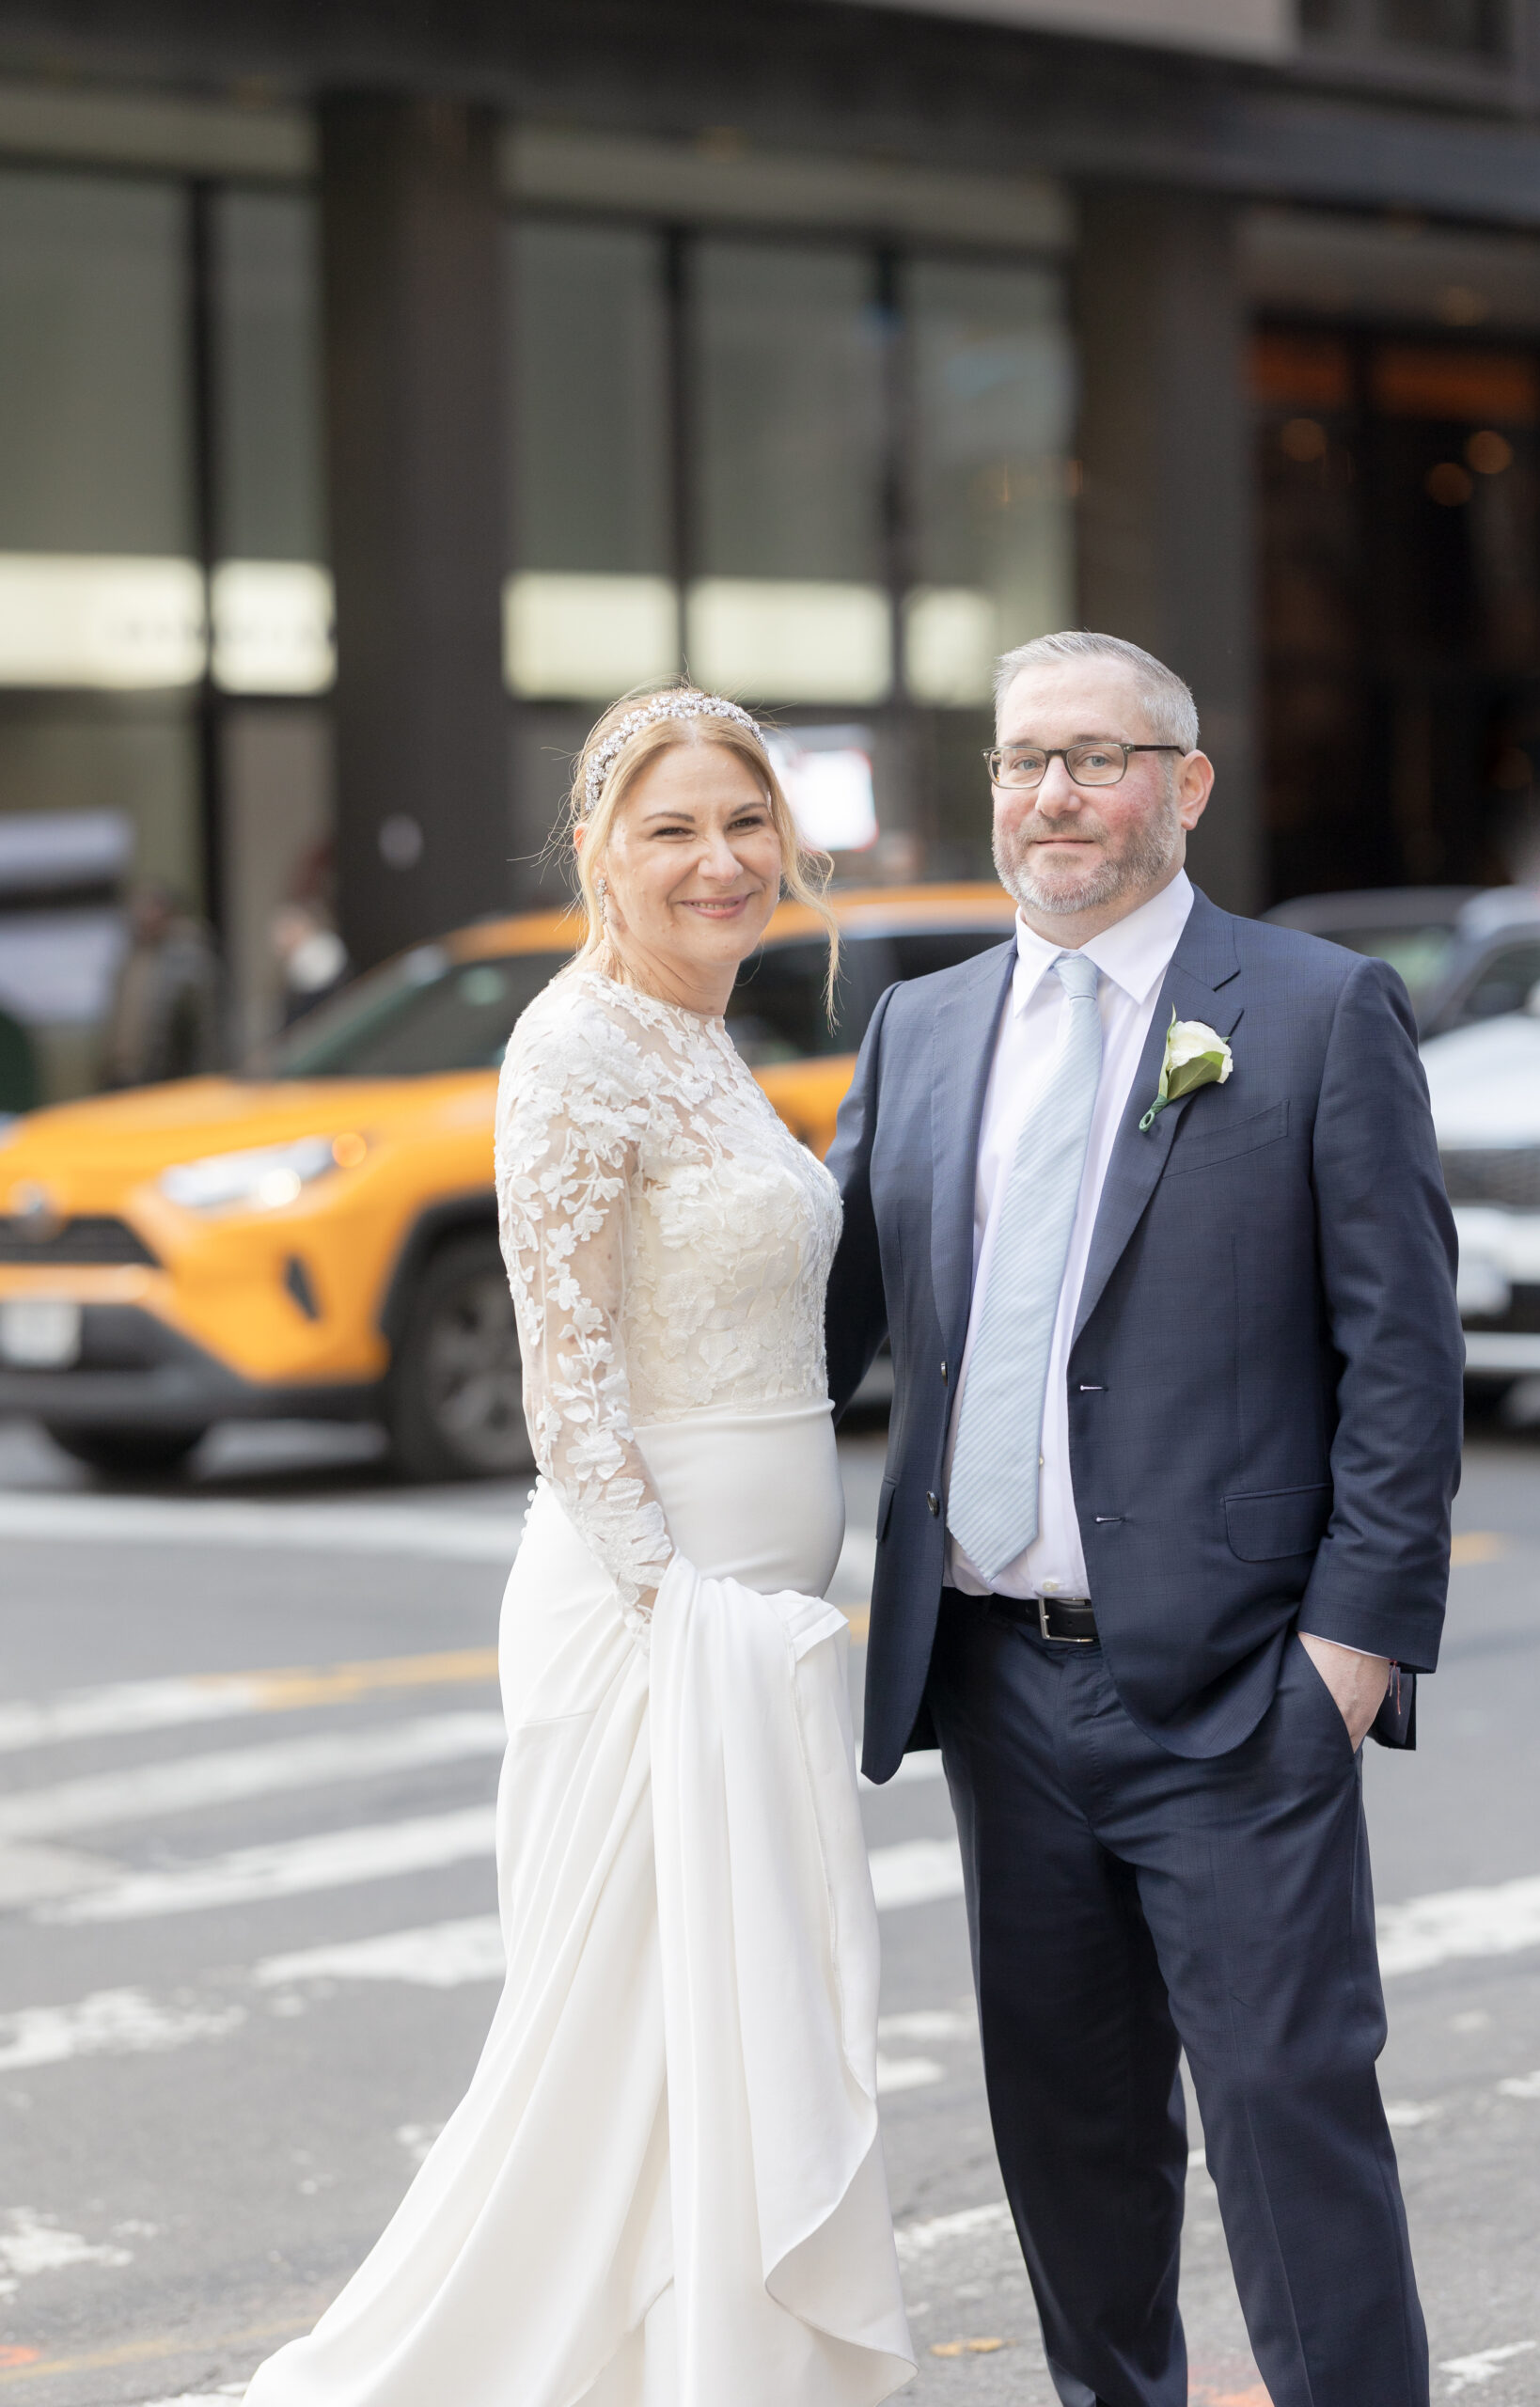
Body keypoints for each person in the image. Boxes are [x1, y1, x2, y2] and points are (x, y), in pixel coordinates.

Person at [243, 688, 914, 2407]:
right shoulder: (574, 1045)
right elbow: (567, 1383)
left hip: (749, 1610)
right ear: (598, 850)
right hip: (651, 1622)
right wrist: (679, 1610)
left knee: (717, 2054)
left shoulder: (713, 1040)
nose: (717, 861)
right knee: (614, 2057)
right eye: (671, 828)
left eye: (743, 823)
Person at [825, 629, 1463, 2407]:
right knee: (1067, 2141)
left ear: (1183, 787)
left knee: (1287, 2121)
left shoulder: (1319, 1010)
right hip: (995, 1697)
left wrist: (1348, 1650)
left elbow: (1402, 1363)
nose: (1056, 795)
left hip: (1241, 1689)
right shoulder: (922, 1026)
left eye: (1099, 759)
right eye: (1027, 761)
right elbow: (816, 1328)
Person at [102, 879, 223, 1089]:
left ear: (165, 912)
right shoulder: (131, 956)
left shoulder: (187, 958)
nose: (140, 914)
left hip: (167, 1079)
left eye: (149, 907)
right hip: (123, 1076)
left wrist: (202, 1082)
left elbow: (206, 1030)